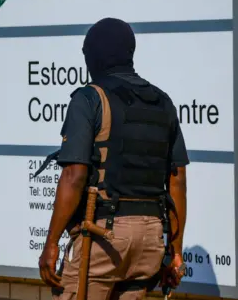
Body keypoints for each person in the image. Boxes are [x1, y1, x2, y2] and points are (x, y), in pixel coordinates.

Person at [37, 17, 189, 300]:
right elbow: (177, 180)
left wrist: (51, 243)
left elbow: (75, 174)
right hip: (149, 242)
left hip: (103, 238)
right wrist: (175, 253)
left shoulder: (89, 99)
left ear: (95, 55)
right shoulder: (162, 102)